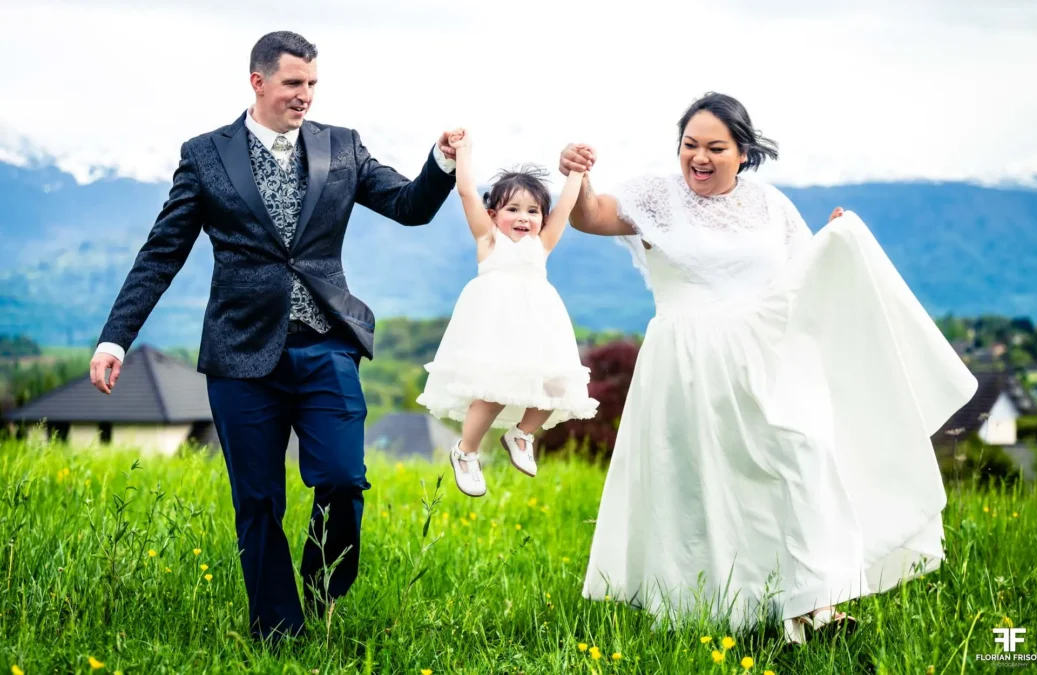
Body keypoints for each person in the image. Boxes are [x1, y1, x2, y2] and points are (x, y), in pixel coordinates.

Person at [563, 92, 977, 643]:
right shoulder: (657, 199)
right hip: (687, 364)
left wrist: (835, 242)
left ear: (743, 152)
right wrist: (577, 176)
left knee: (801, 462)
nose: (699, 158)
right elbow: (589, 216)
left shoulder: (771, 206)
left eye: (715, 147)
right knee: (702, 485)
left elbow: (803, 276)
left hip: (768, 357)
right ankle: (719, 610)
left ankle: (815, 607)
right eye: (690, 145)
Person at [87, 31, 460, 641]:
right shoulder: (206, 154)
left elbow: (409, 206)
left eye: (312, 83)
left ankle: (320, 591)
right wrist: (114, 338)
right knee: (258, 501)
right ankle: (277, 632)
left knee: (342, 477)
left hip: (326, 344)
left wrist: (440, 162)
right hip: (240, 354)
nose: (305, 95)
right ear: (257, 82)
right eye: (293, 83)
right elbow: (162, 253)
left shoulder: (343, 147)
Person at [416, 129, 598, 497]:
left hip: (537, 326)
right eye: (512, 209)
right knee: (494, 387)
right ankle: (466, 452)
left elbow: (564, 208)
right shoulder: (488, 239)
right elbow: (467, 191)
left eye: (532, 211)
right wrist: (463, 151)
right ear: (493, 214)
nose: (523, 217)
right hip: (495, 325)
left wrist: (577, 171)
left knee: (556, 384)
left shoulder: (542, 244)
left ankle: (521, 434)